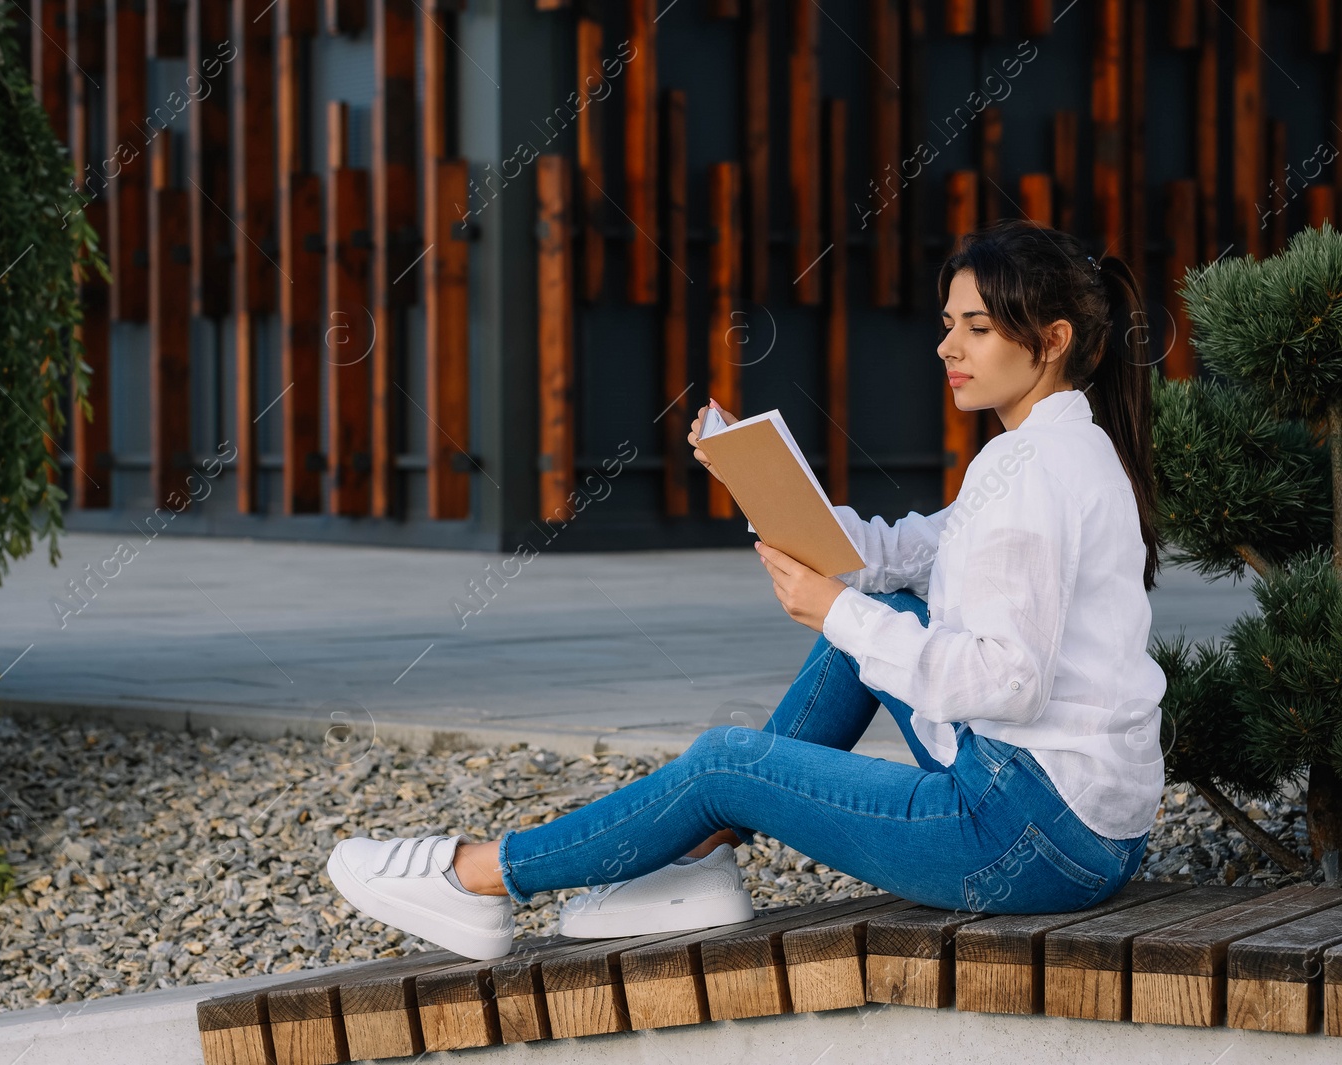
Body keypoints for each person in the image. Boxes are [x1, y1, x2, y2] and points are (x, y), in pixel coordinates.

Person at [326, 219, 1167, 961]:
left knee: (728, 757)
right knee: (891, 617)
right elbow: (902, 551)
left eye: (976, 328)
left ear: (1051, 339)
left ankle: (479, 876)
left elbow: (1005, 681)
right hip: (1072, 821)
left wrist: (835, 610)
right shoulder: (1045, 450)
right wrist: (759, 478)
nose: (947, 347)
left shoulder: (1036, 478)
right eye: (948, 324)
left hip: (1025, 834)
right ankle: (700, 859)